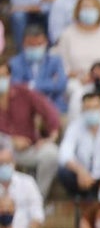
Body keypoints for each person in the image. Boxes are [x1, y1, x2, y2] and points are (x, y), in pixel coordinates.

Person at [0, 58, 62, 197]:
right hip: (2, 151)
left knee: (51, 154)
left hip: (26, 150)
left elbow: (49, 111)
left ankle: (37, 200)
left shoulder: (24, 93)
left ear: (9, 76)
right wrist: (10, 141)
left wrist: (51, 136)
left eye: (2, 76)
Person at [57, 92, 100, 198]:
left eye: (95, 107)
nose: (92, 111)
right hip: (81, 175)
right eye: (88, 108)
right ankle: (77, 197)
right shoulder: (74, 127)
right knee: (63, 172)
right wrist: (80, 171)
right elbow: (64, 154)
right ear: (82, 109)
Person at [8, 25, 68, 113]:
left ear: (46, 43)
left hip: (54, 106)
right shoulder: (15, 63)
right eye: (31, 45)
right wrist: (50, 83)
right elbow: (17, 88)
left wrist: (32, 85)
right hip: (26, 109)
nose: (35, 47)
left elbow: (61, 84)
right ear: (23, 44)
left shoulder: (55, 61)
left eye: (39, 44)